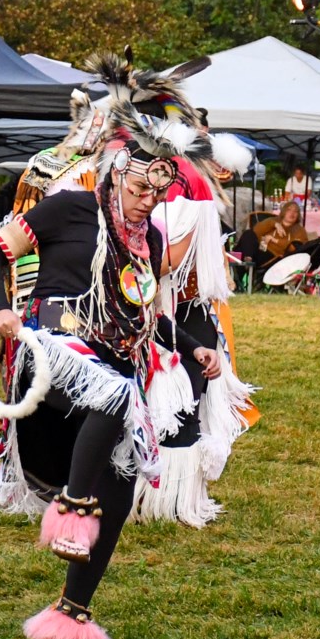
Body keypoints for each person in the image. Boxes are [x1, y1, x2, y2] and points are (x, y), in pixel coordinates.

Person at [0, 91, 221, 639]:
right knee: (114, 397)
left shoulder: (151, 241)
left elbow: (149, 311)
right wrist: (1, 310)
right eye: (138, 190)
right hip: (52, 354)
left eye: (156, 194)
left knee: (126, 474)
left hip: (111, 372)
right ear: (115, 177)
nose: (145, 202)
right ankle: (71, 507)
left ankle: (70, 613)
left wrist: (190, 347)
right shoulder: (69, 210)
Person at [133, 128, 257, 528]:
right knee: (170, 401)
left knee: (182, 402)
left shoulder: (184, 189)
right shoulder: (186, 188)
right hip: (161, 309)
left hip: (178, 309)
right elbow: (164, 262)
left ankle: (172, 499)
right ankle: (162, 499)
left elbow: (168, 262)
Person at [234, 200, 308, 267]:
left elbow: (295, 248)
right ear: (283, 212)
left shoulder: (300, 230)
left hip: (274, 257)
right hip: (259, 250)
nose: (292, 213)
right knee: (248, 234)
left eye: (296, 211)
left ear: (298, 215)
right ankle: (248, 260)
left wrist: (274, 240)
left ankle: (243, 268)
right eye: (289, 210)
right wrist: (275, 224)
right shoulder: (273, 221)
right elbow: (256, 231)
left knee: (241, 250)